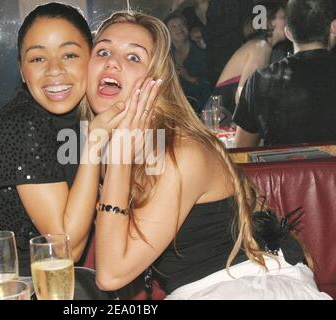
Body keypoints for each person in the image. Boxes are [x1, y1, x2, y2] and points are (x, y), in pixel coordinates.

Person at [87, 11, 330, 300]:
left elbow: (111, 274)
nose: (112, 61)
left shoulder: (182, 152)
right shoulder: (106, 140)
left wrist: (117, 157)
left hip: (246, 285)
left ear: (156, 81)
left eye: (133, 57)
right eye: (103, 51)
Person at [0, 3, 158, 291]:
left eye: (69, 55)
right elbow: (66, 249)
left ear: (92, 59)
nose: (54, 71)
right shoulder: (23, 123)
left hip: (51, 286)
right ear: (22, 71)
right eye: (37, 59)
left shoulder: (92, 120)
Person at [233, 0, 336, 148]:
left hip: (281, 169)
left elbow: (241, 152)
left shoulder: (259, 81)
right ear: (334, 27)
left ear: (288, 32)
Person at [207, 1, 286, 117]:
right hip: (220, 127)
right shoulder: (261, 47)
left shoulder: (260, 45)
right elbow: (243, 98)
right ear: (269, 22)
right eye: (284, 17)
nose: (289, 21)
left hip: (223, 123)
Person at [165, 13, 210, 113]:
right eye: (173, 27)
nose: (179, 29)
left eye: (181, 25)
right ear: (167, 33)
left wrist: (190, 78)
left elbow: (212, 84)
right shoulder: (167, 56)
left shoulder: (201, 51)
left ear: (187, 28)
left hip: (202, 109)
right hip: (178, 109)